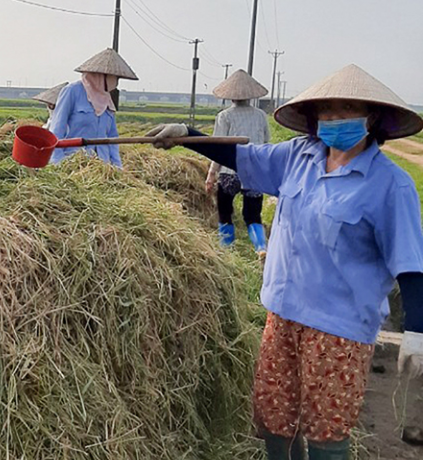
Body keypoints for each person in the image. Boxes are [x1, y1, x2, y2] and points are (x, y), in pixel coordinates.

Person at [146, 64, 423, 459]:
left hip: (338, 330)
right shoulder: (299, 156)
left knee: (327, 429)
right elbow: (242, 156)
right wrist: (188, 137)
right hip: (282, 314)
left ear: (372, 117)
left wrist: (416, 329)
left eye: (345, 109)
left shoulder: (389, 184)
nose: (333, 119)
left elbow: (409, 260)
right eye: (325, 112)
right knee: (276, 419)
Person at [205, 69, 271, 252]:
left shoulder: (224, 116)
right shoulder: (260, 116)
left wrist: (211, 174)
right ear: (251, 96)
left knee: (225, 212)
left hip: (229, 172)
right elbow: (266, 144)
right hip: (254, 171)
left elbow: (217, 147)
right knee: (253, 215)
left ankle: (226, 251)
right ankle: (261, 248)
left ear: (230, 97)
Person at [48, 48, 138, 167]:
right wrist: (58, 164)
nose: (116, 82)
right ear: (102, 76)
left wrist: (117, 167)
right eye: (115, 77)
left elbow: (112, 138)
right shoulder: (73, 91)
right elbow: (56, 131)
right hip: (74, 164)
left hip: (101, 166)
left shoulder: (107, 101)